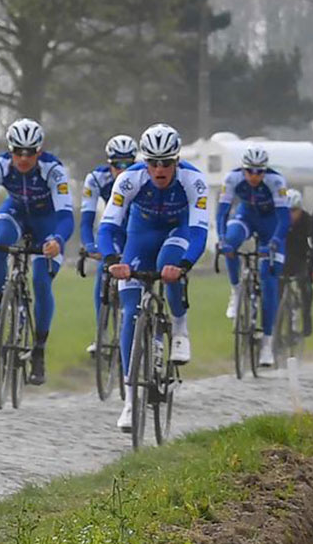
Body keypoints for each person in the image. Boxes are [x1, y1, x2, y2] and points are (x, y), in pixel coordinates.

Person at [100, 123, 209, 432]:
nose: (159, 170)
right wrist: (111, 260)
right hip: (141, 235)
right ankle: (130, 402)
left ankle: (179, 328)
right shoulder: (128, 179)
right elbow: (108, 226)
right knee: (129, 314)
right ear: (144, 161)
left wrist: (185, 264)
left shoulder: (194, 180)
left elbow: (200, 231)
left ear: (177, 161)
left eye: (166, 163)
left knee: (168, 264)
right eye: (153, 162)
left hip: (178, 231)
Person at [0, 119, 72, 385]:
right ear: (9, 150)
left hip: (47, 223)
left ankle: (38, 351)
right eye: (18, 152)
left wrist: (58, 240)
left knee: (40, 279)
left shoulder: (54, 170)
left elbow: (65, 216)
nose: (23, 158)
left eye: (30, 153)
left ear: (40, 151)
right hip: (15, 213)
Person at [215, 144, 291, 367]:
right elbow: (222, 213)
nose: (255, 176)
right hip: (246, 216)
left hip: (272, 225)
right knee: (231, 242)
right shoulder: (232, 179)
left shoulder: (276, 182)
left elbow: (284, 219)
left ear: (265, 171)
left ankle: (267, 343)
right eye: (250, 171)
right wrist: (221, 239)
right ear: (243, 169)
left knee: (269, 281)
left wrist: (275, 242)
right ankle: (236, 290)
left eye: (260, 172)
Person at [80, 134, 137, 353]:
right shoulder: (96, 179)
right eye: (117, 165)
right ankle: (101, 333)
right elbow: (87, 220)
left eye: (128, 164)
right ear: (108, 164)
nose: (122, 170)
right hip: (113, 230)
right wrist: (90, 246)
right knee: (105, 270)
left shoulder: (143, 176)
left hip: (136, 230)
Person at [282, 189, 313, 339]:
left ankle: (306, 317)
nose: (291, 215)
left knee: (305, 286)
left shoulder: (308, 221)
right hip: (283, 259)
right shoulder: (279, 220)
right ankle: (276, 327)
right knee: (274, 289)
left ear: (300, 209)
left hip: (301, 259)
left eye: (294, 211)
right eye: (287, 211)